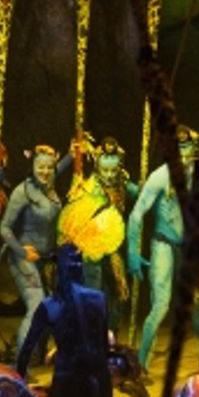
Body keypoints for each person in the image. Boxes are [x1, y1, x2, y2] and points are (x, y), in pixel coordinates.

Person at [16, 244, 111, 397]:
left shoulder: (50, 305)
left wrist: (19, 379)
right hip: (99, 381)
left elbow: (27, 348)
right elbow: (102, 344)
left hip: (68, 381)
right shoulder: (99, 299)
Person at [126, 124, 199, 377]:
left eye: (187, 147)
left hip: (188, 246)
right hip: (163, 243)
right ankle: (140, 364)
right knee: (160, 305)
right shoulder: (160, 176)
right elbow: (137, 214)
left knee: (195, 305)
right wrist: (132, 251)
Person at [60, 136, 140, 337]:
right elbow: (75, 215)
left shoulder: (122, 183)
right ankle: (90, 337)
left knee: (117, 292)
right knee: (94, 292)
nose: (110, 175)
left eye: (114, 170)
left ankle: (109, 333)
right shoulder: (87, 187)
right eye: (105, 170)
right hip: (91, 249)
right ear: (97, 168)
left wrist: (144, 187)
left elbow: (140, 195)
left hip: (113, 249)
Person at [0, 143, 72, 358]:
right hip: (24, 257)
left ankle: (38, 352)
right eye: (40, 167)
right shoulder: (22, 192)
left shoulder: (49, 182)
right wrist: (21, 251)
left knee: (53, 306)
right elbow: (4, 228)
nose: (46, 171)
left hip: (47, 258)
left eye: (50, 167)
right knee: (37, 304)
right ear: (32, 166)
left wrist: (73, 151)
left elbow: (61, 167)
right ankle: (19, 364)